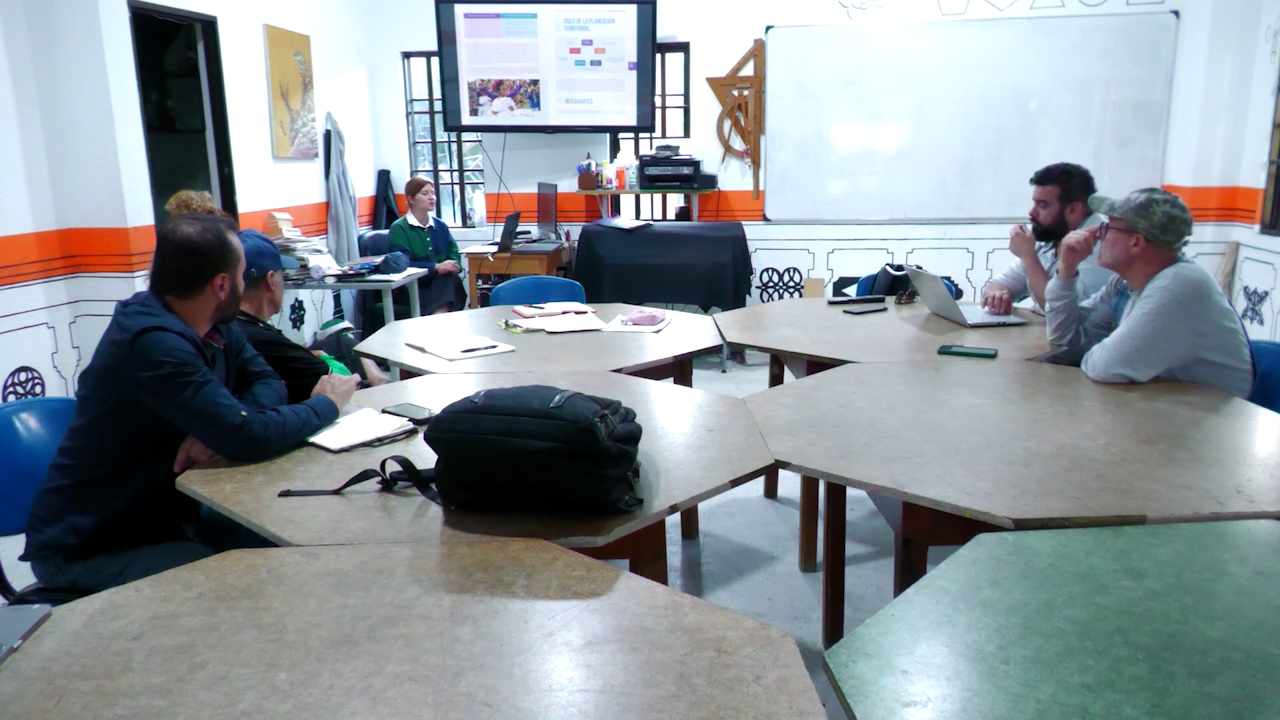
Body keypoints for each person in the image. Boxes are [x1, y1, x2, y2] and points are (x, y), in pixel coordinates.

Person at [21, 214, 361, 593]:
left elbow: (268, 382)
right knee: (243, 586)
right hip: (93, 544)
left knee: (288, 543)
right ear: (221, 285)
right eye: (241, 274)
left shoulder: (214, 322)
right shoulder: (152, 343)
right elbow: (249, 436)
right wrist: (326, 404)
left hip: (163, 514)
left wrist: (222, 427)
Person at [1044, 188, 1254, 398]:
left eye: (1108, 227)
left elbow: (1104, 367)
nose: (1098, 234)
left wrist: (1096, 350)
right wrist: (1067, 269)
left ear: (1136, 242)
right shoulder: (1123, 284)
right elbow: (1065, 338)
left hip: (1214, 415)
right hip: (1167, 408)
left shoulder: (1176, 286)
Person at [236, 229, 390, 403]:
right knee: (347, 358)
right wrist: (323, 357)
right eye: (283, 275)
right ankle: (382, 388)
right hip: (313, 403)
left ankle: (380, 382)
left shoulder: (233, 324)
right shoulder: (264, 339)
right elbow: (340, 381)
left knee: (342, 341)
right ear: (271, 280)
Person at [982, 163, 1112, 315]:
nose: (1031, 212)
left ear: (1073, 209)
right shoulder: (1052, 235)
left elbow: (1062, 314)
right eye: (1034, 203)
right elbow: (999, 284)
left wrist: (1028, 256)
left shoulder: (1102, 247)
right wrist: (996, 295)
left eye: (1042, 205)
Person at [388, 176, 467, 314]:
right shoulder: (399, 228)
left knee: (450, 278)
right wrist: (436, 267)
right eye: (425, 193)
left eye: (433, 193)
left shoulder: (440, 225)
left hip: (442, 282)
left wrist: (452, 265)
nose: (432, 197)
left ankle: (438, 317)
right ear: (411, 199)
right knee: (449, 283)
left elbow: (453, 252)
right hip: (414, 286)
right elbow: (402, 264)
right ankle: (439, 317)